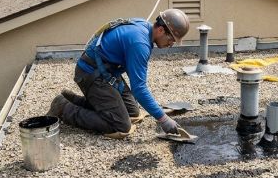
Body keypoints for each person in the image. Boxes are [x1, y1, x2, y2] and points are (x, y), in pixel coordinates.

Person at [47, 9, 190, 138]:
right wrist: (163, 119)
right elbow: (139, 89)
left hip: (105, 71)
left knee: (133, 113)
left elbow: (132, 70)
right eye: (171, 39)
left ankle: (73, 100)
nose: (171, 44)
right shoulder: (140, 44)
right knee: (121, 126)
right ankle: (63, 107)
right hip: (91, 74)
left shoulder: (143, 26)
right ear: (160, 30)